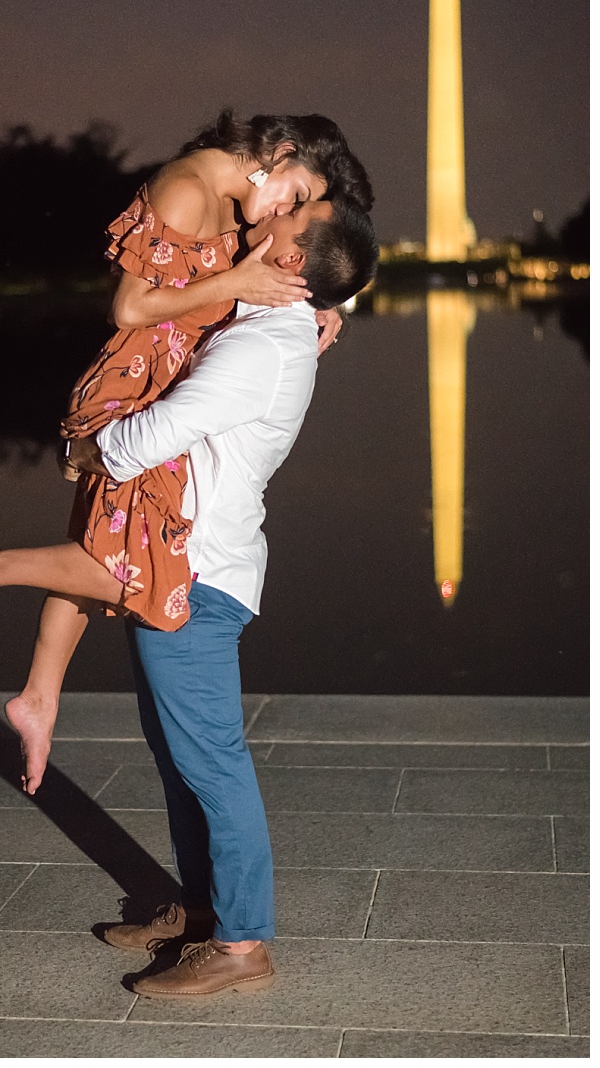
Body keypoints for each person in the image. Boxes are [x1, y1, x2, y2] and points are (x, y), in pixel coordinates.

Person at [0, 111, 373, 794]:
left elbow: (325, 245)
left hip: (169, 383)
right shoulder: (188, 188)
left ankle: (39, 696)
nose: (284, 216)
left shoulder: (245, 204)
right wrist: (237, 286)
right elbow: (129, 308)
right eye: (295, 196)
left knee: (100, 545)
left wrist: (329, 303)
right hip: (138, 386)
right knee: (138, 575)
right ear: (277, 155)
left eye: (300, 209)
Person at [61, 195, 379, 996]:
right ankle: (201, 908)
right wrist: (335, 301)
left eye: (293, 213)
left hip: (196, 575)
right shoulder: (273, 315)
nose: (272, 209)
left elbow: (157, 433)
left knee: (212, 763)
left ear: (295, 261)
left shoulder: (267, 345)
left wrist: (89, 443)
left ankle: (241, 945)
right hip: (182, 564)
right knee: (182, 758)